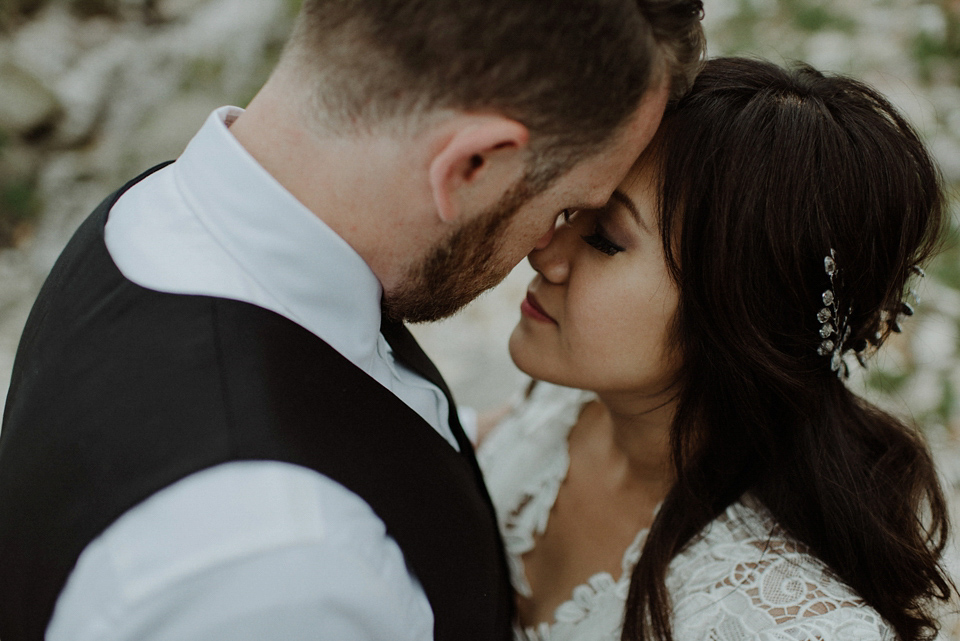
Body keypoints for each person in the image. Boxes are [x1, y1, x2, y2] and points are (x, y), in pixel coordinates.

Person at [0, 1, 706, 640]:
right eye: (560, 209)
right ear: (470, 164)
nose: (546, 250)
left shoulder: (159, 211)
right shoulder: (279, 568)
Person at [478, 57, 954, 641]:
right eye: (576, 204)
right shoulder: (559, 409)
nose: (544, 251)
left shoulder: (780, 624)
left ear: (735, 314)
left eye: (604, 239)